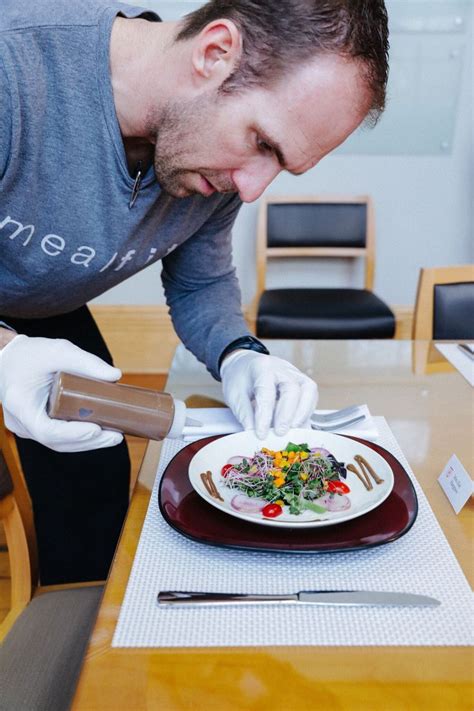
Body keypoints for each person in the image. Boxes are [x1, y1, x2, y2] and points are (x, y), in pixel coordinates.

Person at [0, 0, 389, 584]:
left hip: (43, 310)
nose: (253, 189)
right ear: (215, 53)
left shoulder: (217, 172)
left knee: (97, 488)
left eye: (283, 167)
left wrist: (239, 353)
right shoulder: (14, 68)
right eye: (263, 143)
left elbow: (202, 281)